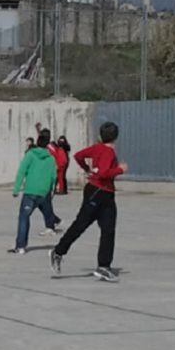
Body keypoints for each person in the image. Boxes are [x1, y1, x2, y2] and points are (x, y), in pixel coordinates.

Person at [50, 121, 128, 282]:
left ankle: (104, 266)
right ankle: (58, 251)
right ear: (116, 137)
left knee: (108, 230)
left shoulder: (97, 148)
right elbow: (105, 173)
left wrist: (87, 168)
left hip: (103, 193)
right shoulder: (108, 152)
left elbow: (78, 156)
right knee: (81, 225)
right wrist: (120, 169)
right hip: (98, 193)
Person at [10, 129, 59, 254]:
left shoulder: (30, 155)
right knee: (46, 210)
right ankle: (52, 224)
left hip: (31, 191)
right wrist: (51, 189)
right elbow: (54, 176)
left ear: (37, 142)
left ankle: (21, 246)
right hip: (44, 192)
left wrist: (16, 189)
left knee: (24, 217)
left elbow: (22, 171)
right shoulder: (51, 158)